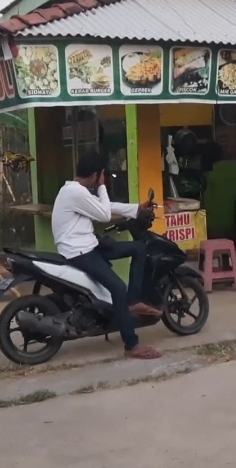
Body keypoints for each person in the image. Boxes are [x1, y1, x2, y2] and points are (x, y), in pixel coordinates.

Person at [51, 151, 162, 360]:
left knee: (138, 248)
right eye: (101, 176)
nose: (103, 179)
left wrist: (136, 208)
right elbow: (104, 214)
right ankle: (132, 344)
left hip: (88, 245)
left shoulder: (76, 191)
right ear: (95, 175)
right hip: (79, 252)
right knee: (118, 288)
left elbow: (105, 207)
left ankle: (133, 301)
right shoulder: (74, 192)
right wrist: (102, 185)